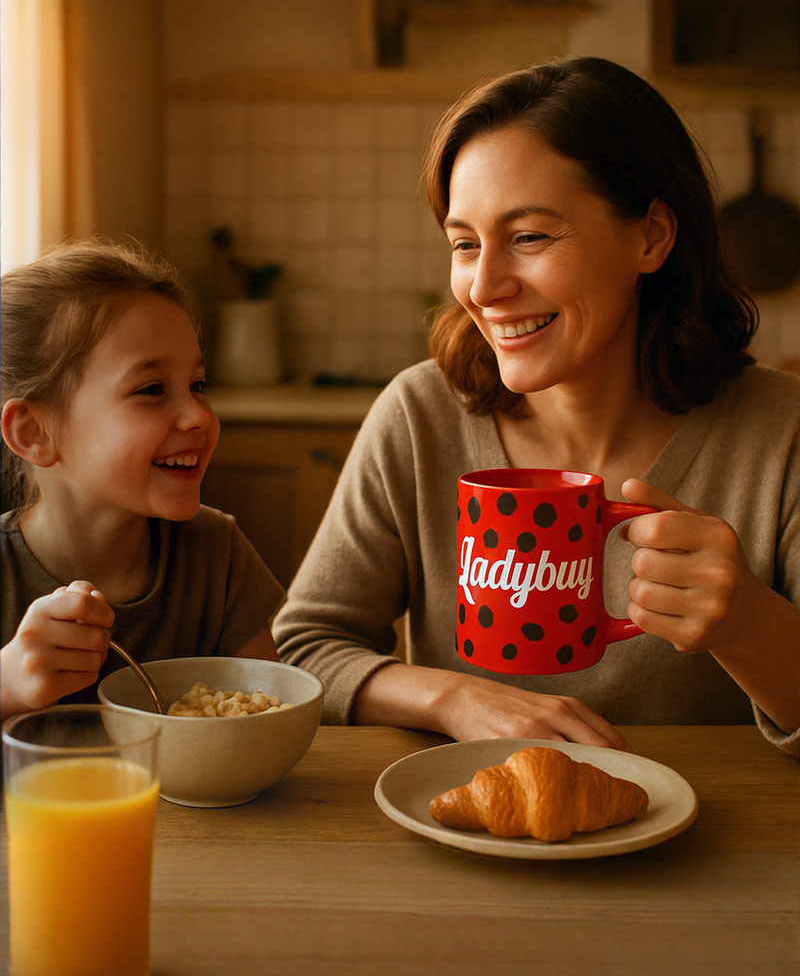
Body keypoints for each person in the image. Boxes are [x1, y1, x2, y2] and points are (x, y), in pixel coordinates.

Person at [273, 56, 799, 758]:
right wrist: (452, 696)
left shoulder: (782, 432)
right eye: (465, 244)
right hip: (461, 836)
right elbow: (306, 652)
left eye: (528, 237)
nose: (484, 286)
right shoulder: (418, 417)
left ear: (651, 236)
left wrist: (750, 627)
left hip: (715, 851)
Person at [1, 239, 283, 722]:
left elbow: (271, 718)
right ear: (35, 432)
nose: (197, 415)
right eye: (151, 389)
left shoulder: (219, 555)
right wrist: (6, 684)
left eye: (198, 385)